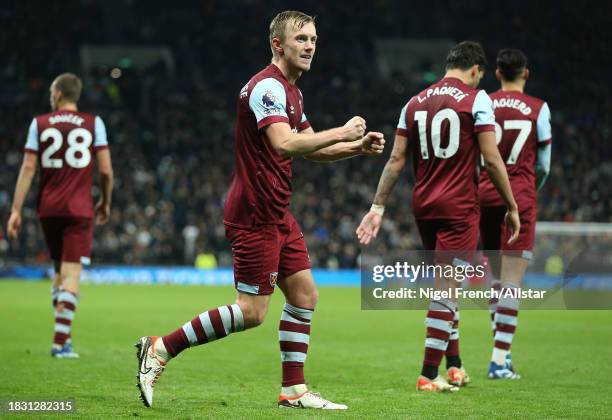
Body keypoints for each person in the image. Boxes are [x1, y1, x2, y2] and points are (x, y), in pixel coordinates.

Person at [135, 10, 384, 409]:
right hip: (254, 213)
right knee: (252, 312)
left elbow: (310, 147)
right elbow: (285, 144)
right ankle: (161, 348)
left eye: (314, 40)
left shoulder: (292, 91)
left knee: (304, 295)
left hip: (277, 212)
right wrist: (343, 131)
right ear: (278, 44)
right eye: (301, 39)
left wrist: (356, 148)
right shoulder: (267, 88)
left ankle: (294, 391)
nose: (309, 46)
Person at [356, 41, 520, 392]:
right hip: (458, 207)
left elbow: (397, 159)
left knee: (448, 286)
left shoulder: (412, 103)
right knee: (446, 289)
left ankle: (456, 365)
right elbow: (492, 159)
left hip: (424, 206)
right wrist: (512, 205)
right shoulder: (477, 99)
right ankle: (429, 374)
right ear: (476, 70)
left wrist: (377, 207)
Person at [7, 73, 114, 358]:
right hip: (79, 209)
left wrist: (16, 210)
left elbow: (28, 168)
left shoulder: (39, 124)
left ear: (56, 94)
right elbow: (105, 170)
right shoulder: (94, 123)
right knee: (71, 275)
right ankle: (60, 343)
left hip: (48, 209)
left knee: (57, 272)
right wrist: (104, 201)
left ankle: (62, 336)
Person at [478, 48, 552, 379]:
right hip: (519, 197)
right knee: (511, 283)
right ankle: (498, 359)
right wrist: (528, 190)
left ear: (497, 74)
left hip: (483, 194)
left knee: (496, 280)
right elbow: (545, 165)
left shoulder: (484, 103)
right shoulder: (539, 109)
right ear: (526, 73)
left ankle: (502, 356)